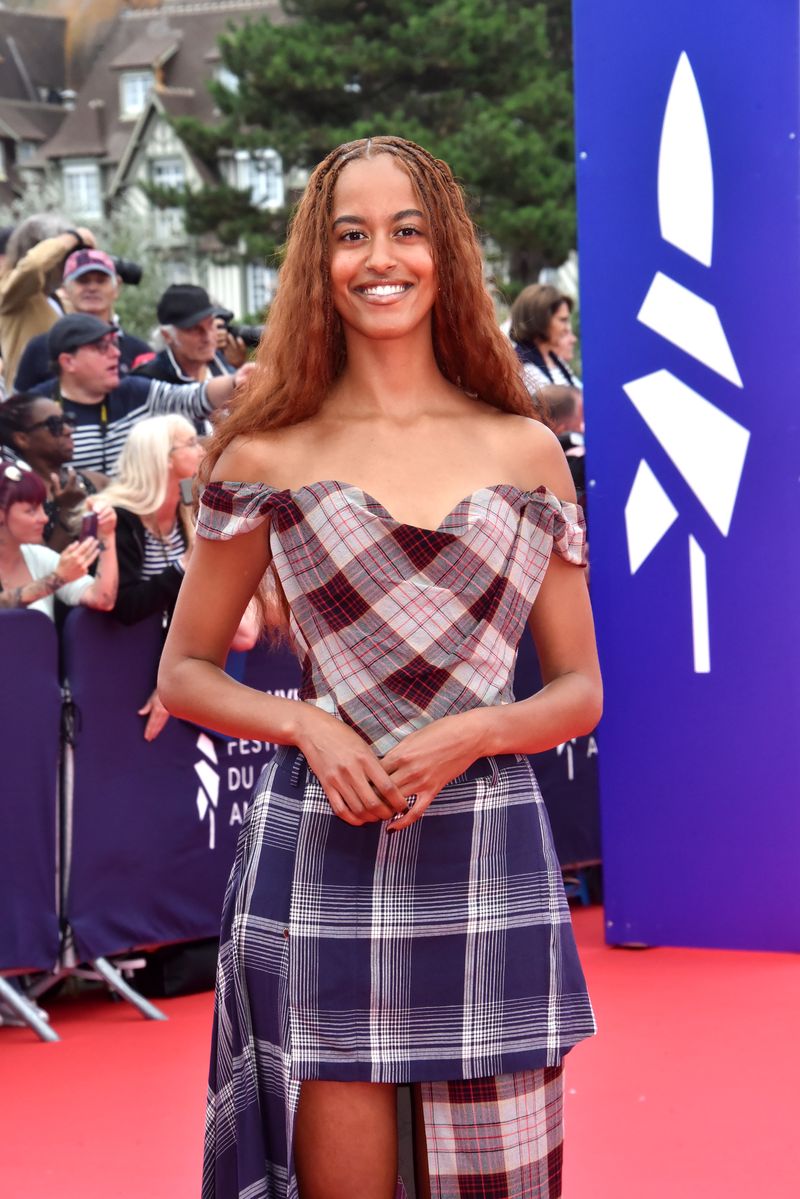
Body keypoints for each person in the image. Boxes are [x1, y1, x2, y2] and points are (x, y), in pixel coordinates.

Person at [159, 135, 601, 1199]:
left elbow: (577, 688)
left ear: (444, 251)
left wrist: (476, 729)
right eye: (350, 235)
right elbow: (185, 671)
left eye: (405, 230)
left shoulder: (522, 448)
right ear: (319, 262)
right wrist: (309, 724)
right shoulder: (265, 453)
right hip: (319, 856)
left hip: (487, 852)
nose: (379, 256)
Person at [96, 413, 257, 740]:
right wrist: (184, 566)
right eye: (189, 444)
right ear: (162, 459)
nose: (201, 450)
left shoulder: (188, 513)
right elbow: (124, 604)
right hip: (112, 675)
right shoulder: (115, 516)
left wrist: (173, 683)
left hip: (165, 674)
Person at [30, 313, 253, 476]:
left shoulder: (132, 391)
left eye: (114, 344)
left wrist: (235, 381)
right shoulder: (35, 410)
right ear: (68, 362)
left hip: (132, 527)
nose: (116, 353)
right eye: (101, 347)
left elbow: (191, 397)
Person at [14, 249, 153, 391]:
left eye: (101, 281)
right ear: (64, 289)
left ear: (116, 287)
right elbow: (19, 408)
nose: (92, 288)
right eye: (83, 281)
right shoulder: (40, 348)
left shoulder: (138, 350)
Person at [0, 460, 117, 618]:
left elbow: (102, 599)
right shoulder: (51, 571)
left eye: (42, 507)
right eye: (31, 510)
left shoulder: (38, 556)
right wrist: (56, 580)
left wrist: (107, 534)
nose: (44, 518)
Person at [0, 393, 107, 550]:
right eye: (55, 424)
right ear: (22, 439)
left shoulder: (98, 482)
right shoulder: (16, 498)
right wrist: (68, 511)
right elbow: (41, 568)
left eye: (67, 420)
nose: (68, 430)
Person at [0, 216, 95, 387]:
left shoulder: (58, 299)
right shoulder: (11, 295)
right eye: (63, 256)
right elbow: (33, 265)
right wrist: (72, 238)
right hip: (28, 401)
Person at [133, 284, 235, 386]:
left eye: (210, 324)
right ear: (167, 335)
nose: (207, 337)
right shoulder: (148, 382)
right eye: (195, 329)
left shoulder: (225, 369)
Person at [510, 283, 581, 396]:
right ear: (540, 321)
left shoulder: (554, 359)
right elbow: (552, 409)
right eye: (563, 320)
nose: (568, 328)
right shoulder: (524, 368)